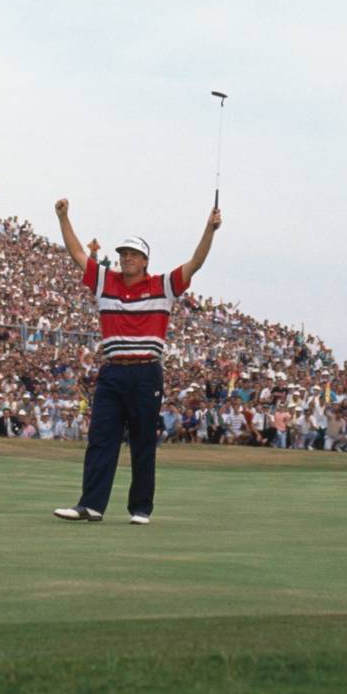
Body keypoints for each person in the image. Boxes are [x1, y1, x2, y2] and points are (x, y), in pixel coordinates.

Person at [51, 198, 220, 525]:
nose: (126, 259)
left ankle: (141, 508)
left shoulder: (162, 286)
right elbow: (76, 253)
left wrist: (209, 229)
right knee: (101, 439)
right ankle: (91, 504)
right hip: (113, 372)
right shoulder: (105, 282)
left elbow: (195, 262)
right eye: (123, 254)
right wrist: (63, 217)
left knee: (143, 441)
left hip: (146, 373)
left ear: (145, 260)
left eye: (133, 255)